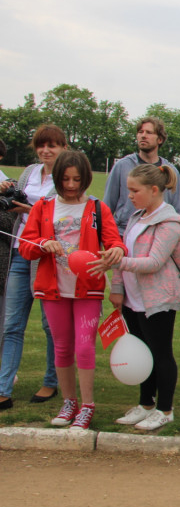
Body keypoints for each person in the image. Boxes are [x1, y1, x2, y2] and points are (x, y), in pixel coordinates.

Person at [21, 150, 125, 429]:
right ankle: (69, 402)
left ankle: (87, 405)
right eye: (65, 179)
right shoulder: (42, 207)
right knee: (62, 347)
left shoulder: (98, 208)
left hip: (87, 289)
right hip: (53, 290)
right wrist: (43, 243)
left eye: (77, 179)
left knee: (84, 347)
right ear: (57, 178)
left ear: (86, 178)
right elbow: (25, 247)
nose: (70, 185)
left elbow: (115, 242)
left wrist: (115, 251)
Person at [106, 164, 180, 431]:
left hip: (158, 299)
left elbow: (153, 262)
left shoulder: (170, 222)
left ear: (154, 190)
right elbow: (122, 251)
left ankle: (165, 409)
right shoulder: (135, 217)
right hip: (132, 298)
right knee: (143, 352)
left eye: (134, 190)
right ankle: (145, 404)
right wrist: (117, 288)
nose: (129, 196)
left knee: (161, 353)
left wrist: (116, 262)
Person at [0, 124, 65, 410]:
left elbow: (63, 213)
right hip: (18, 252)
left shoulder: (66, 175)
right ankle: (3, 387)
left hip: (47, 256)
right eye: (41, 145)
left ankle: (51, 381)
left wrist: (27, 209)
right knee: (12, 325)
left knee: (49, 325)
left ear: (63, 147)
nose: (45, 150)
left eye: (52, 145)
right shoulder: (28, 172)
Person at [103, 116, 180, 235]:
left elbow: (179, 211)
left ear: (160, 139)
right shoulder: (122, 166)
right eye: (140, 132)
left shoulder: (170, 171)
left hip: (158, 237)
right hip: (124, 235)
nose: (143, 135)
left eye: (149, 132)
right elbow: (107, 206)